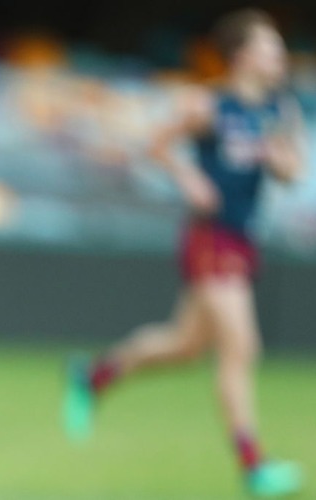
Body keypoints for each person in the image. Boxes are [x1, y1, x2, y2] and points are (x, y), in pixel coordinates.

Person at [64, 8, 307, 498]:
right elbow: (157, 144)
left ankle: (94, 374)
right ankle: (253, 465)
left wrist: (282, 160)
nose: (278, 55)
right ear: (242, 55)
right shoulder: (211, 106)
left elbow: (290, 173)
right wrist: (190, 178)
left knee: (186, 344)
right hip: (210, 237)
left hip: (241, 238)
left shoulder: (280, 111)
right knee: (241, 347)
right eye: (269, 46)